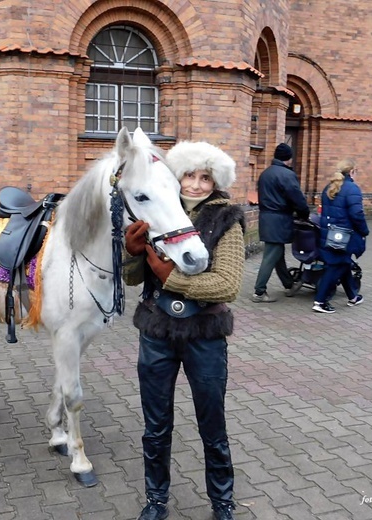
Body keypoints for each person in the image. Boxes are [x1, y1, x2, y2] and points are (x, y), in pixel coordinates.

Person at [123, 141, 245, 520]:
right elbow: (131, 280)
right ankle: (156, 500)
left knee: (212, 422)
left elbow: (227, 285)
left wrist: (171, 278)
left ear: (216, 181)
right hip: (157, 332)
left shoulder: (226, 219)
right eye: (188, 175)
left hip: (204, 334)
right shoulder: (159, 210)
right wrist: (130, 252)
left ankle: (221, 501)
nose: (195, 184)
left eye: (204, 177)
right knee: (155, 425)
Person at [251, 142, 310, 303]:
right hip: (280, 219)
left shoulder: (265, 173)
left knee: (277, 254)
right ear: (289, 158)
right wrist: (304, 213)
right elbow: (296, 198)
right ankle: (259, 291)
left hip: (266, 218)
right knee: (271, 255)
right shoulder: (286, 175)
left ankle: (289, 284)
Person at [312, 159, 369, 313]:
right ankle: (320, 301)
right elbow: (357, 214)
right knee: (335, 266)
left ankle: (353, 296)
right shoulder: (352, 189)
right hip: (344, 236)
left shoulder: (328, 188)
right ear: (351, 171)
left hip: (329, 234)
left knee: (342, 264)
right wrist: (364, 231)